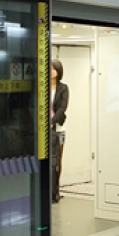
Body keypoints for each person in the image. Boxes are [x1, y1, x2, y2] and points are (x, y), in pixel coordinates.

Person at [50, 59, 70, 203]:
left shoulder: (63, 88)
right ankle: (49, 189)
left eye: (54, 69)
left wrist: (52, 122)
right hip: (44, 130)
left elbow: (62, 108)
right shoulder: (43, 86)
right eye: (50, 69)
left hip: (58, 129)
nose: (52, 72)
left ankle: (56, 190)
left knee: (57, 161)